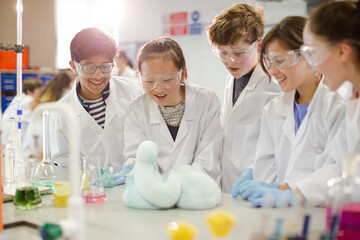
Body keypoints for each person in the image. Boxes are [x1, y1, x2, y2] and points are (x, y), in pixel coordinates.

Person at [230, 16, 345, 207]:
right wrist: (268, 191)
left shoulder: (337, 105)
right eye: (269, 63)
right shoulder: (274, 109)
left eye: (280, 61)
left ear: (309, 55)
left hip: (321, 212)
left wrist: (292, 193)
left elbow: (339, 169)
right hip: (280, 214)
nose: (273, 71)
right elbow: (266, 169)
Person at [122, 37, 223, 185]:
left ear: (182, 74)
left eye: (167, 80)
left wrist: (178, 184)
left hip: (197, 193)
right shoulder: (137, 109)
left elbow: (208, 158)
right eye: (149, 81)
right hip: (156, 194)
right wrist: (136, 168)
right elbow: (137, 156)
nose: (158, 88)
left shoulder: (206, 101)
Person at [206, 3, 281, 192]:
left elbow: (279, 148)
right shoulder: (232, 78)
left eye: (239, 53)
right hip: (228, 185)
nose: (230, 61)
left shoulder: (274, 85)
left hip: (257, 185)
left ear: (259, 45)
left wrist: (254, 172)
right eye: (223, 53)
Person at [294, 0, 360, 206]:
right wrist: (297, 194)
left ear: (342, 52)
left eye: (312, 53)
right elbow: (340, 165)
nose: (310, 65)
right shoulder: (353, 95)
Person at [50, 27, 142, 173]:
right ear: (74, 66)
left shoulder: (133, 92)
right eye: (89, 68)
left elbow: (145, 142)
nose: (98, 76)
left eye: (105, 67)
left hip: (133, 185)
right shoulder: (61, 113)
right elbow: (62, 165)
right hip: (89, 191)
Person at [21, 70, 76, 159]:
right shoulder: (66, 99)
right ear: (70, 85)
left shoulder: (44, 98)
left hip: (31, 152)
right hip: (43, 154)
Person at [1, 78, 43, 146]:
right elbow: (39, 118)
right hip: (12, 138)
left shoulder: (20, 98)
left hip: (8, 137)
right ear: (29, 91)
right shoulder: (29, 100)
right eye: (38, 91)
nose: (40, 94)